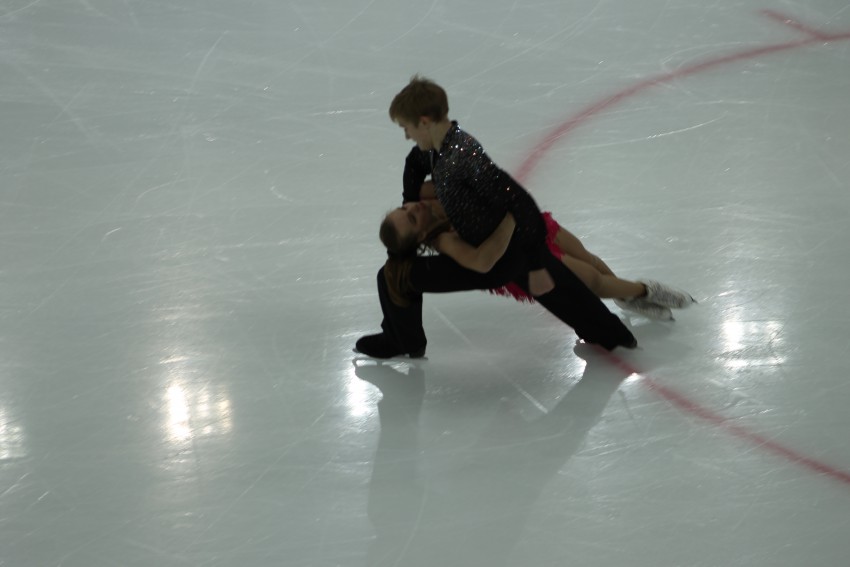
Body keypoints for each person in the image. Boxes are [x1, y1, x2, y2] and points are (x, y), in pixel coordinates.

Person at [355, 76, 641, 359]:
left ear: (424, 121)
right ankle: (613, 333)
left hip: (502, 256)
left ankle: (403, 341)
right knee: (569, 295)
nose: (407, 136)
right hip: (502, 250)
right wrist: (410, 202)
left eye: (406, 128)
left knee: (395, 276)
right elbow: (413, 163)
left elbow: (520, 201)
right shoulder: (436, 151)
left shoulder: (463, 157)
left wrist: (535, 261)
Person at [384, 192, 693, 321]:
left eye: (403, 208)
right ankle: (646, 290)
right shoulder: (445, 240)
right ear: (420, 237)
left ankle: (627, 298)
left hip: (532, 226)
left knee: (592, 261)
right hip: (523, 254)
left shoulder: (431, 195)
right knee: (592, 281)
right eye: (410, 218)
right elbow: (482, 261)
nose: (411, 208)